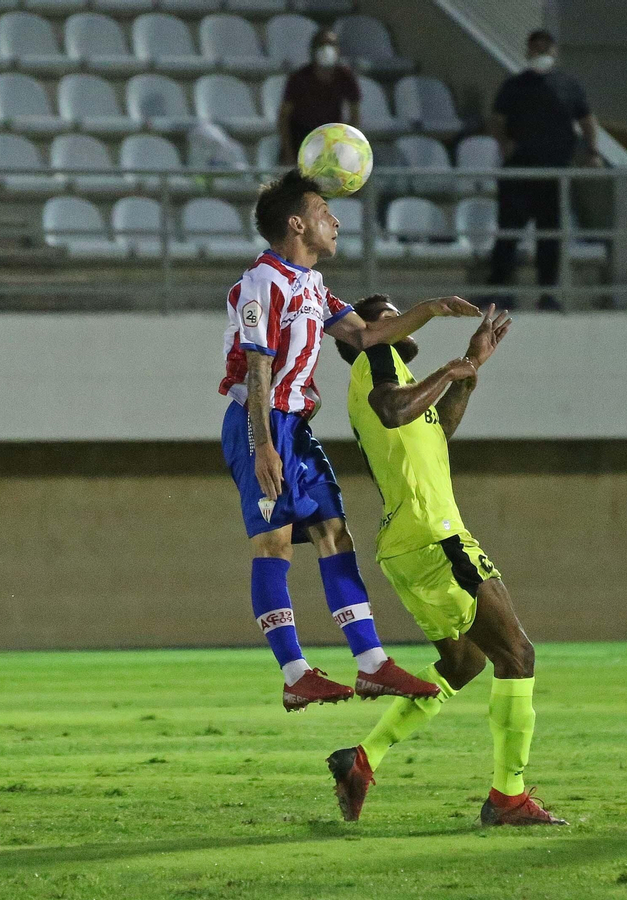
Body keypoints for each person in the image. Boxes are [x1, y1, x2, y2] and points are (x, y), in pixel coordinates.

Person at [219, 170, 480, 711]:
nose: (335, 221)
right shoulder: (261, 282)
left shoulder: (311, 285)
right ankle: (295, 673)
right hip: (259, 422)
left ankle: (371, 664)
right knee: (274, 543)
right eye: (323, 212)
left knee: (335, 533)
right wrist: (264, 444)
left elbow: (365, 334)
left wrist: (429, 310)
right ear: (297, 223)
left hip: (295, 424)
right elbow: (258, 368)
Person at [323, 295, 565, 827]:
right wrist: (446, 369)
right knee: (517, 655)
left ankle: (363, 759)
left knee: (465, 663)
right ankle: (509, 798)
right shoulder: (377, 359)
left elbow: (435, 431)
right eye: (388, 313)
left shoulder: (391, 373)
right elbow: (395, 409)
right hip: (436, 536)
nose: (400, 318)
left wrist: (468, 371)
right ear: (364, 331)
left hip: (407, 543)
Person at [486, 29, 598, 311]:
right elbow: (497, 119)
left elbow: (586, 120)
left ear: (555, 52)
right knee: (508, 233)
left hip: (554, 174)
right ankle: (499, 292)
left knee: (550, 237)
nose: (541, 54)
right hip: (519, 173)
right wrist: (505, 146)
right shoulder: (515, 85)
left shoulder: (569, 85)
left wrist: (592, 151)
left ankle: (548, 294)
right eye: (536, 49)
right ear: (528, 52)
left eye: (545, 49)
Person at [276, 28, 361, 164]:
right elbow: (283, 117)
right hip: (301, 137)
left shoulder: (345, 77)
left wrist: (345, 145)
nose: (327, 49)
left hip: (331, 137)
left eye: (332, 44)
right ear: (313, 50)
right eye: (322, 44)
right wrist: (288, 153)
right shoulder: (299, 78)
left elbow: (355, 115)